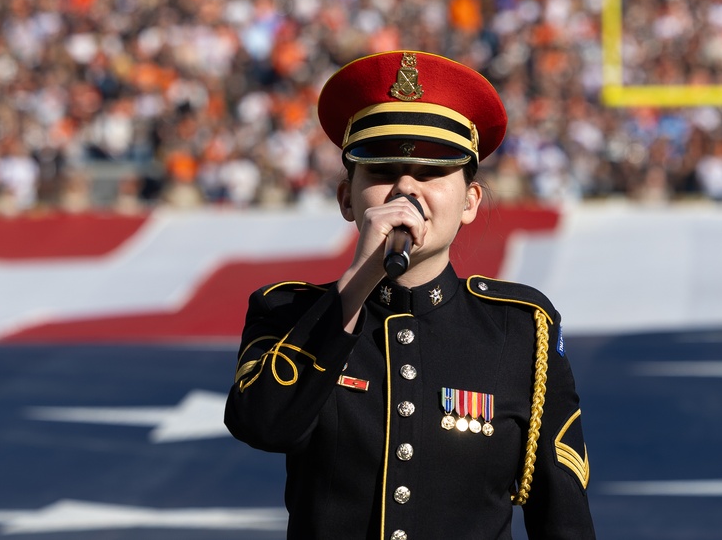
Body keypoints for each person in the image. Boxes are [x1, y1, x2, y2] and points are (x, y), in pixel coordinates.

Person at [225, 51, 596, 540]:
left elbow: (563, 520)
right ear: (345, 199)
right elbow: (264, 425)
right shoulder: (289, 312)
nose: (405, 186)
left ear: (469, 202)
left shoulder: (520, 330)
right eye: (381, 171)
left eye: (431, 172)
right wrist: (359, 278)